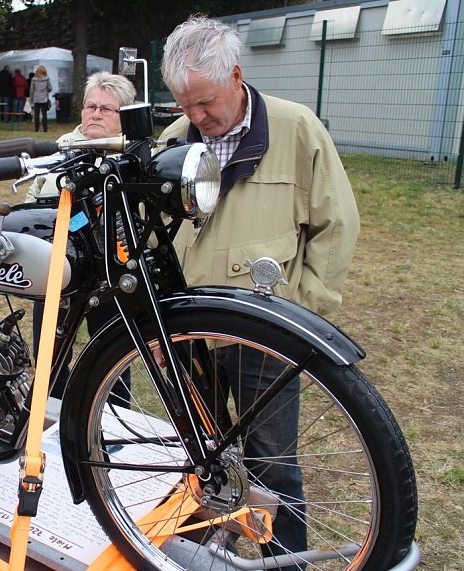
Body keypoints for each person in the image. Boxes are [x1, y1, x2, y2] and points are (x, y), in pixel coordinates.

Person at [159, 16, 360, 568]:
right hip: (188, 329)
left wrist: (302, 316)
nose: (196, 118)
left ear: (237, 75)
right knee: (196, 454)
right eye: (184, 105)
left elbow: (336, 225)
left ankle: (283, 558)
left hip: (265, 331)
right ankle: (196, 551)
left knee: (272, 459)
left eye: (205, 102)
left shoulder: (297, 129)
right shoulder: (174, 142)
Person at [26, 72, 136, 397]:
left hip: (110, 280)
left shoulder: (133, 160)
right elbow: (32, 204)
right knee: (48, 359)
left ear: (124, 116)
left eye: (107, 109)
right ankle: (51, 423)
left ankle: (111, 432)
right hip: (55, 276)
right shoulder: (57, 152)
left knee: (113, 360)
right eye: (91, 106)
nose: (96, 114)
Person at [29, 65, 52, 132]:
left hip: (36, 98)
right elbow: (50, 88)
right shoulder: (47, 79)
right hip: (44, 98)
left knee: (36, 114)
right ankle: (45, 129)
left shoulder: (34, 79)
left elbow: (31, 90)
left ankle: (36, 129)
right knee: (44, 114)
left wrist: (31, 100)